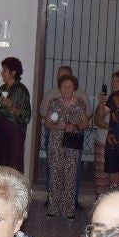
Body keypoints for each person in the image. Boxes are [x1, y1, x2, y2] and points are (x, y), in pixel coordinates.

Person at [42, 74, 90, 218]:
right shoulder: (54, 102)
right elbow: (47, 123)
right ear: (60, 88)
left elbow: (86, 123)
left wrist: (75, 127)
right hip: (56, 141)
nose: (67, 89)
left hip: (73, 141)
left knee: (71, 174)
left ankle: (69, 209)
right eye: (64, 86)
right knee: (55, 173)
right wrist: (57, 125)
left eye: (69, 86)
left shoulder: (80, 103)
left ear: (74, 88)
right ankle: (53, 208)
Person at [0, 57, 31, 170]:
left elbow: (26, 116)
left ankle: (14, 187)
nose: (1, 73)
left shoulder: (21, 90)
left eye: (4, 70)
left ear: (13, 72)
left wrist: (12, 107)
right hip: (1, 129)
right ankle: (0, 188)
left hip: (14, 131)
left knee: (13, 162)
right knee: (0, 161)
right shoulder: (3, 88)